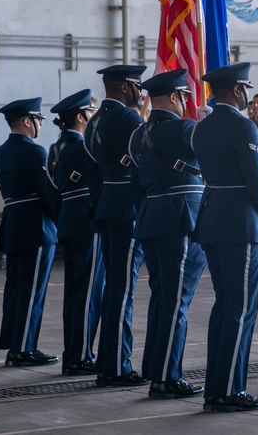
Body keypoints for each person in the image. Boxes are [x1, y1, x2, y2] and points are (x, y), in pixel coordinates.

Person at [192, 62, 258, 412]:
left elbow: (229, 168)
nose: (249, 93)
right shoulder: (243, 125)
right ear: (236, 90)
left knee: (225, 307)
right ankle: (228, 392)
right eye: (246, 87)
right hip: (240, 224)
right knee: (241, 310)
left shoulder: (201, 129)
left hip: (213, 220)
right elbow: (251, 178)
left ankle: (216, 387)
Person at [127, 70, 207, 400]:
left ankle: (155, 368)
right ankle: (166, 379)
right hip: (180, 223)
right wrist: (208, 126)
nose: (187, 103)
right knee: (176, 303)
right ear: (175, 97)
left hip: (150, 222)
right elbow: (212, 160)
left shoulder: (137, 136)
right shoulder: (186, 129)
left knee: (163, 300)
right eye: (185, 97)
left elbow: (136, 185)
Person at [84, 64, 148, 387]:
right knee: (123, 290)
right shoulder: (129, 119)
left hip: (107, 204)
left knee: (114, 287)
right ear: (124, 87)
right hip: (127, 209)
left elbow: (94, 170)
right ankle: (116, 368)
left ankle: (110, 364)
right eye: (137, 85)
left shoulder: (93, 122)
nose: (142, 91)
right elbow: (148, 158)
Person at [0, 97, 59, 367]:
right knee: (33, 290)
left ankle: (14, 344)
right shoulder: (35, 151)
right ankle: (24, 349)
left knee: (16, 289)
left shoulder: (1, 151)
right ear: (26, 121)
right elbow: (48, 193)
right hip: (35, 226)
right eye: (38, 119)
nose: (40, 124)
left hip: (14, 225)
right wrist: (63, 221)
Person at [47, 90, 102, 376]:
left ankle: (74, 353)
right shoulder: (84, 148)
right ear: (81, 117)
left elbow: (54, 194)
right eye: (92, 112)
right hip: (88, 224)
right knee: (89, 293)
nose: (94, 116)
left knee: (75, 292)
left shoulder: (55, 149)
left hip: (69, 223)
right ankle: (80, 356)